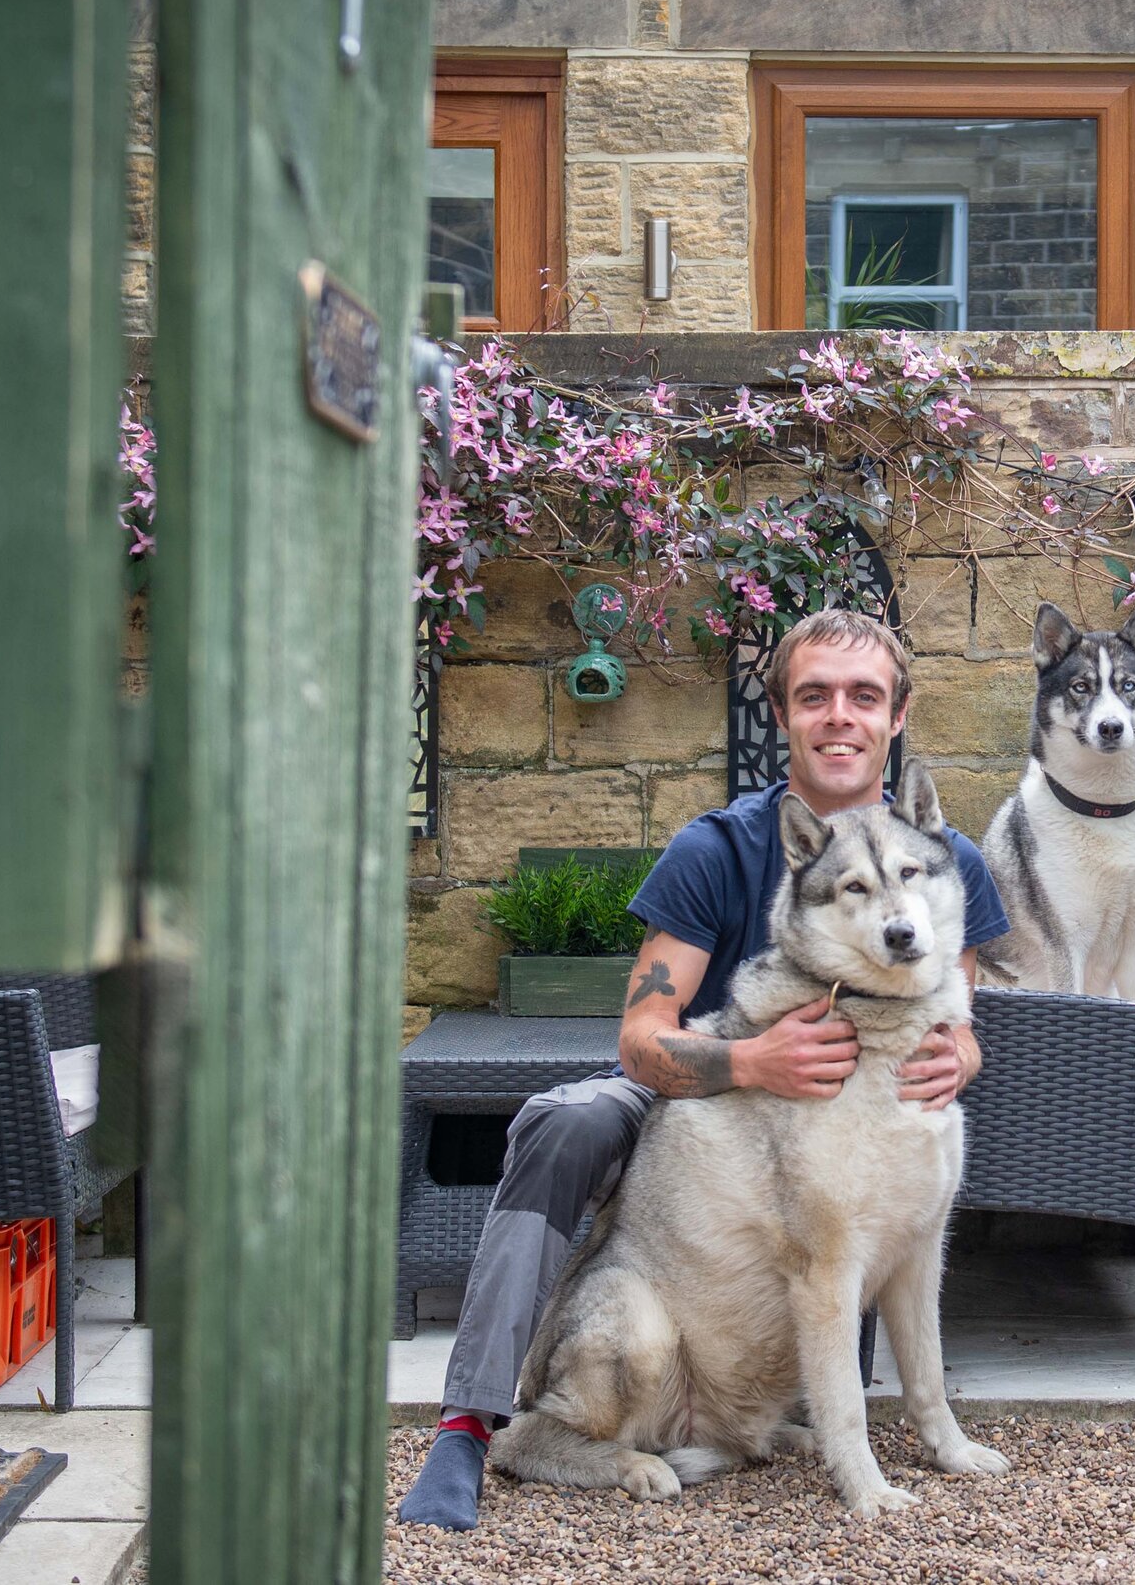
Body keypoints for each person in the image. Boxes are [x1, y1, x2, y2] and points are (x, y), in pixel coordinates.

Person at [397, 607, 1009, 1530]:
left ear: (898, 713)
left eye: (863, 695)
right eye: (815, 696)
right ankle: (468, 1419)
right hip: (703, 1089)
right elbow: (642, 1033)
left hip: (827, 1138)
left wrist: (962, 1048)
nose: (839, 714)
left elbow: (955, 1007)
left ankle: (781, 1414)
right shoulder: (717, 845)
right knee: (568, 1118)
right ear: (784, 716)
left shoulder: (942, 859)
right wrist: (753, 1058)